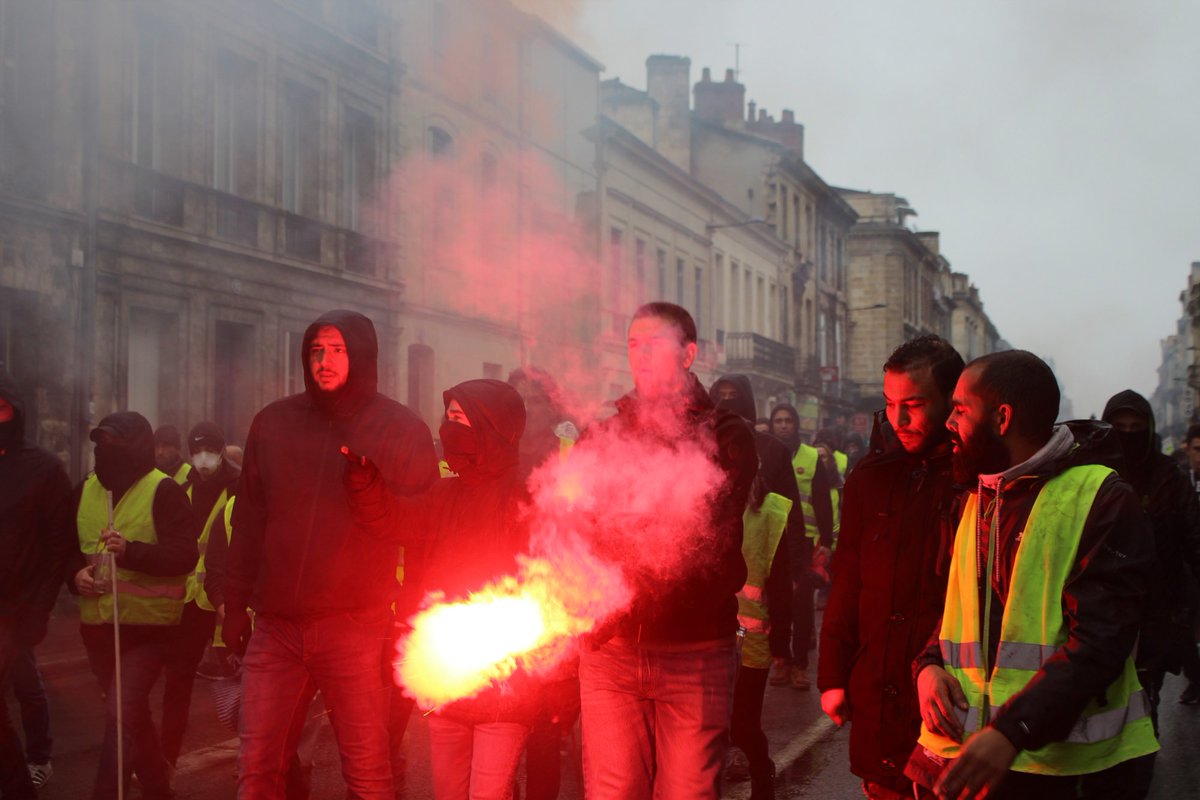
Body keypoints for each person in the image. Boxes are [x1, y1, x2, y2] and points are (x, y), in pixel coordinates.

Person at [911, 351, 1158, 800]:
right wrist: (928, 666)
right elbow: (959, 611)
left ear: (1002, 418)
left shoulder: (1102, 498)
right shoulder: (977, 495)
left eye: (961, 410)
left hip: (1069, 772)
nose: (948, 422)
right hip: (979, 758)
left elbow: (1102, 639)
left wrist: (1013, 730)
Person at [224, 309, 438, 798]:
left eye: (338, 351)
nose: (324, 361)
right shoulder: (274, 422)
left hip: (355, 626)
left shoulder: (399, 428)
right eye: (316, 350)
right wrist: (235, 604)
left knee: (366, 769)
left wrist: (406, 619)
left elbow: (423, 530)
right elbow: (250, 519)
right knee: (256, 765)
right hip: (277, 625)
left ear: (362, 356)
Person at [574, 302, 757, 800]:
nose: (640, 355)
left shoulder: (726, 437)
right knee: (613, 791)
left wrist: (621, 582)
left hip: (694, 653)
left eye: (654, 343)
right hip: (612, 655)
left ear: (688, 353)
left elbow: (704, 541)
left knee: (688, 794)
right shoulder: (603, 433)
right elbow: (576, 525)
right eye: (633, 344)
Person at [347, 379, 537, 800]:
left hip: (502, 685)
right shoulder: (443, 493)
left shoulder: (525, 496)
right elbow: (400, 522)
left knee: (490, 793)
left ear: (489, 427)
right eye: (446, 418)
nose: (446, 429)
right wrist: (368, 488)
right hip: (446, 677)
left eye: (458, 418)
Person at [817, 336, 964, 799]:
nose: (899, 420)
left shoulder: (976, 478)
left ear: (950, 401)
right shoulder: (870, 476)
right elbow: (849, 579)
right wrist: (832, 676)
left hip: (948, 700)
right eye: (890, 404)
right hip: (877, 695)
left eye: (914, 405)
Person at [70, 411, 199, 800]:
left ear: (137, 447)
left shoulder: (164, 491)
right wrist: (73, 577)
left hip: (149, 631)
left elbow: (184, 556)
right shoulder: (85, 490)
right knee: (132, 713)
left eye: (114, 445)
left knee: (122, 711)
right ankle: (158, 788)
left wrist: (131, 552)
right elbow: (61, 551)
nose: (104, 453)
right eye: (99, 445)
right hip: (98, 629)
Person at [1100, 389, 1200, 791]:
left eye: (1135, 429)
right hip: (1099, 614)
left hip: (1156, 612)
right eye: (1119, 428)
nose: (1128, 436)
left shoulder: (1167, 476)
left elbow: (1193, 538)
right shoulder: (1091, 472)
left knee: (1143, 711)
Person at [709, 375, 794, 800]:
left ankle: (762, 776)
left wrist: (785, 638)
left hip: (752, 629)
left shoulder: (773, 460)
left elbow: (783, 554)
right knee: (709, 729)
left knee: (742, 724)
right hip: (707, 625)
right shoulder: (696, 455)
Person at [0, 372, 74, 798]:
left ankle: (26, 775)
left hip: (15, 607)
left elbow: (58, 544)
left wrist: (38, 609)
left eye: (1, 407)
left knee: (21, 689)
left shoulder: (44, 469)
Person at [508, 366, 580, 800]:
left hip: (556, 591)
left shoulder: (569, 445)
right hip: (501, 588)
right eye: (519, 399)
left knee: (547, 721)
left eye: (534, 398)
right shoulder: (495, 446)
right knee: (504, 714)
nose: (526, 407)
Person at [160, 421, 240, 768]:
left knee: (242, 684)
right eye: (196, 450)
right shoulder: (179, 486)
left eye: (208, 449)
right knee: (178, 678)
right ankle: (166, 759)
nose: (202, 457)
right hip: (192, 600)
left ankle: (255, 758)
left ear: (222, 450)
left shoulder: (240, 487)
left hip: (226, 601)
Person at [768, 403, 833, 689]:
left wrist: (827, 541)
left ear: (796, 425)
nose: (783, 426)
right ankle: (780, 659)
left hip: (805, 541)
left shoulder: (810, 456)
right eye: (778, 421)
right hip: (772, 540)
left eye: (788, 421)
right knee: (777, 604)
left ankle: (800, 666)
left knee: (803, 605)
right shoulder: (766, 454)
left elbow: (821, 499)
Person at [1179, 422, 1200, 704]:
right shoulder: (1179, 479)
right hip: (1188, 568)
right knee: (1185, 631)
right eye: (1197, 449)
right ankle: (1196, 679)